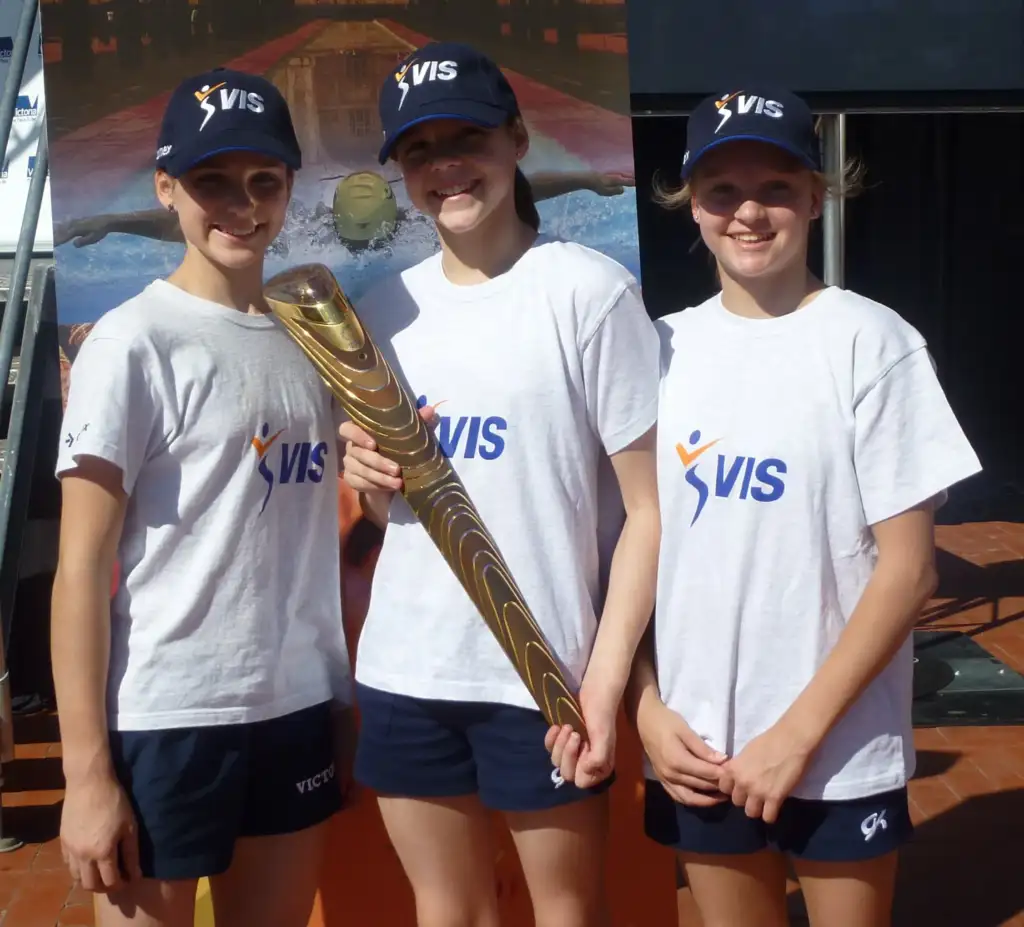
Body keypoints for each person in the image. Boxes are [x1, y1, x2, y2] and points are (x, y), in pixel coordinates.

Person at [550, 87, 982, 926]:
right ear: (690, 204)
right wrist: (647, 707)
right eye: (722, 191)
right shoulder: (658, 349)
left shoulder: (872, 342)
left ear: (817, 196)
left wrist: (796, 736)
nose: (749, 211)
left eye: (776, 188)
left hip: (839, 751)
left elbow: (910, 567)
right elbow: (627, 549)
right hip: (699, 749)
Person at [337, 42, 661, 927]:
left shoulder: (588, 293)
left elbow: (648, 512)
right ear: (401, 172)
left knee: (566, 914)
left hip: (541, 672)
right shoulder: (381, 312)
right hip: (408, 666)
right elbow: (385, 509)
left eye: (466, 138)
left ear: (516, 140)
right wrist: (368, 477)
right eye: (419, 150)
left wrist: (600, 684)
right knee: (448, 913)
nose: (445, 165)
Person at [51, 67, 353, 927]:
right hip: (167, 715)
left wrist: (335, 698)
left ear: (292, 187)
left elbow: (299, 541)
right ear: (165, 187)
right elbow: (79, 570)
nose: (240, 205)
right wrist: (86, 775)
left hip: (293, 708)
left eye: (264, 182)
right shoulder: (132, 343)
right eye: (212, 181)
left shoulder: (312, 343)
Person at [52, 166, 636, 252]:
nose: (361, 247)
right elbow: (193, 228)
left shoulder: (416, 226)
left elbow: (509, 185)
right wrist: (115, 222)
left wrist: (585, 181)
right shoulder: (309, 233)